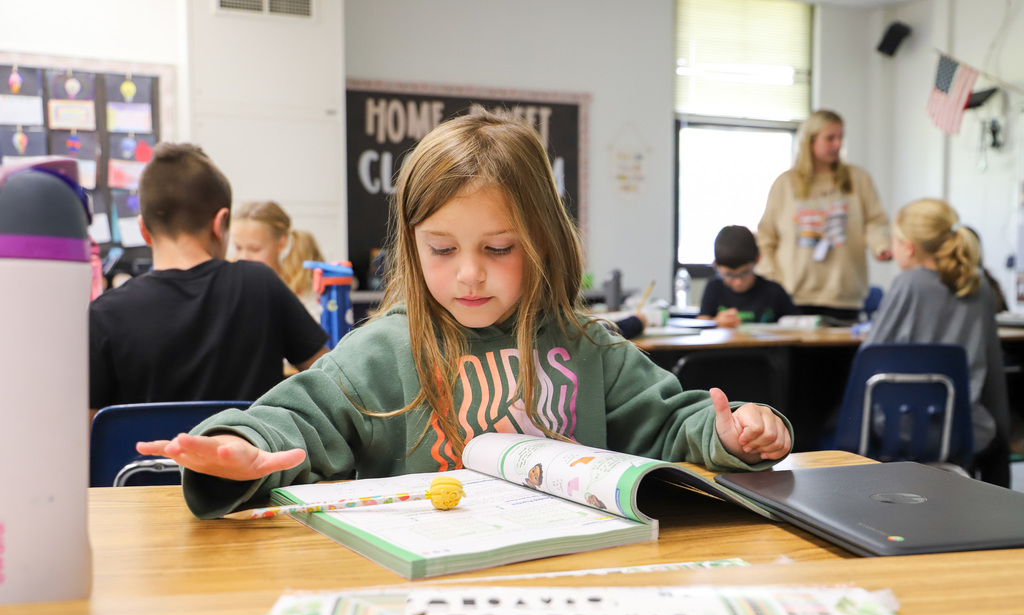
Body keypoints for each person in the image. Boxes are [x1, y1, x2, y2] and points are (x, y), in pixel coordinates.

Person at [137, 111, 793, 519]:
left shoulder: (588, 346)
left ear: (540, 240)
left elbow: (674, 425)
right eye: (442, 249)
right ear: (412, 245)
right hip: (432, 593)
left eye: (499, 248)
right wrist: (242, 446)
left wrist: (732, 436)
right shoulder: (384, 351)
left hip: (578, 579)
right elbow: (294, 417)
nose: (469, 272)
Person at [89, 143, 330, 415]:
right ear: (220, 223)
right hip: (250, 455)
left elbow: (87, 435)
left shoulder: (103, 314)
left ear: (144, 230)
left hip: (145, 459)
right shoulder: (261, 284)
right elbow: (330, 382)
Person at [864, 198, 1010, 486]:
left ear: (908, 247)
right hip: (963, 429)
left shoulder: (907, 284)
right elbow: (992, 369)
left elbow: (870, 359)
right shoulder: (979, 287)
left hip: (903, 429)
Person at [756, 110, 892, 322]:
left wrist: (881, 245)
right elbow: (766, 238)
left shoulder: (858, 179)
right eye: (830, 138)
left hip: (843, 296)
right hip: (795, 296)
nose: (838, 144)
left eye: (841, 137)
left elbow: (875, 222)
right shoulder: (785, 183)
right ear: (810, 141)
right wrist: (774, 279)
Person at [231, 200, 326, 317]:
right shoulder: (231, 286)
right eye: (238, 247)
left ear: (281, 244)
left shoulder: (304, 292)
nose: (243, 257)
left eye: (255, 249)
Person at [698, 225, 800, 327]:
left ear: (758, 259)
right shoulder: (714, 288)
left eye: (744, 273)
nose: (738, 282)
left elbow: (798, 326)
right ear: (716, 265)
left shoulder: (775, 292)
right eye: (729, 275)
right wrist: (716, 322)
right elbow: (701, 323)